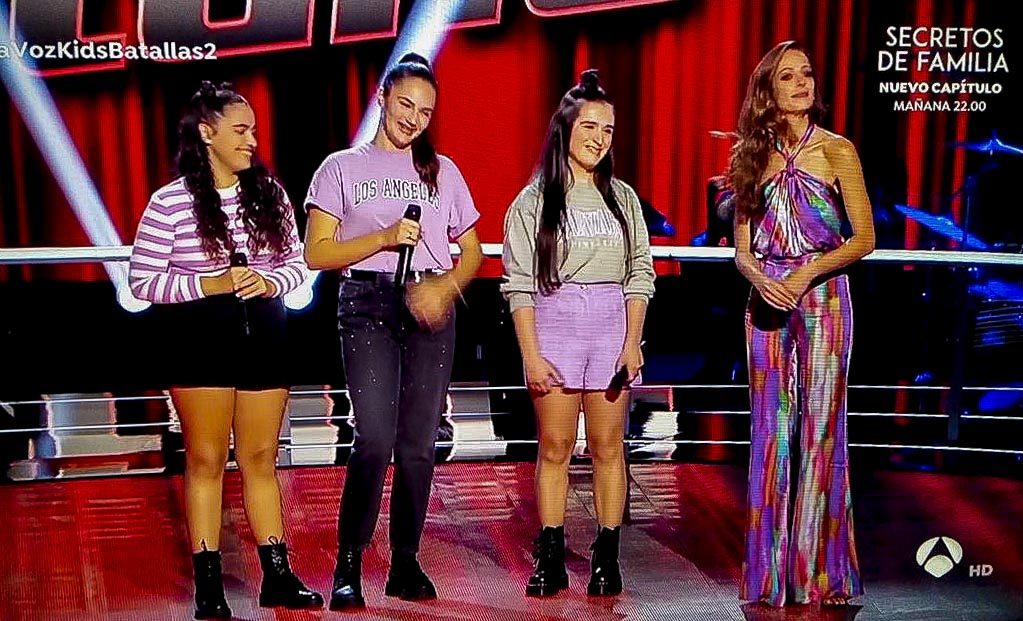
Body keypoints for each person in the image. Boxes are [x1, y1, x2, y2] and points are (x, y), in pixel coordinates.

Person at [128, 81, 322, 619]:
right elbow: (143, 281)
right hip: (199, 341)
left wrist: (270, 281)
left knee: (260, 458)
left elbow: (297, 262)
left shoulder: (270, 195)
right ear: (207, 133)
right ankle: (209, 586)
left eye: (254, 130)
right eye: (241, 130)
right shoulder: (170, 202)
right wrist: (208, 284)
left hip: (265, 336)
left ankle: (277, 576)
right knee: (207, 459)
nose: (252, 141)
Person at [303, 52, 483, 610]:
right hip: (367, 303)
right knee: (375, 437)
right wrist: (382, 238)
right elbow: (317, 253)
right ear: (382, 97)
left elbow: (472, 252)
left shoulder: (443, 171)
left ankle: (405, 560)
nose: (413, 119)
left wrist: (444, 288)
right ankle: (349, 561)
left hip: (428, 304)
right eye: (406, 104)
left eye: (425, 112)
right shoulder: (340, 168)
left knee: (419, 444)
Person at [728, 41, 875, 608]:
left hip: (824, 297)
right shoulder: (750, 155)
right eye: (788, 76)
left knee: (821, 430)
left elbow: (865, 238)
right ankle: (768, 577)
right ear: (768, 90)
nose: (802, 83)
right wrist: (758, 277)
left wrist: (808, 272)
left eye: (807, 74)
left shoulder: (838, 150)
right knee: (770, 432)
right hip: (766, 301)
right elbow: (742, 250)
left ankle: (820, 575)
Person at [501, 69, 655, 598]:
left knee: (609, 448)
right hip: (556, 324)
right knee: (556, 446)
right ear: (564, 130)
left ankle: (606, 557)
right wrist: (531, 355)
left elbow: (640, 274)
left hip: (611, 328)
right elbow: (519, 285)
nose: (599, 138)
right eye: (589, 127)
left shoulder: (624, 199)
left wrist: (631, 341)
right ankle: (550, 556)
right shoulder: (532, 202)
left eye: (608, 129)